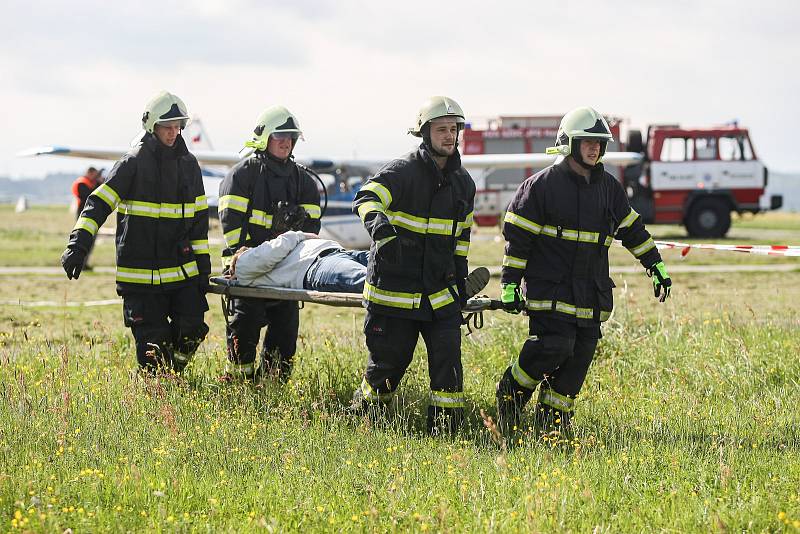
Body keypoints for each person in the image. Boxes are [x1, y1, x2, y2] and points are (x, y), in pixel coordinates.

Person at [494, 106, 673, 441]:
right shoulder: (540, 187)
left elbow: (633, 230)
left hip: (591, 296)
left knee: (577, 363)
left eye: (599, 143)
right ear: (569, 143)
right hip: (551, 293)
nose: (595, 149)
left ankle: (551, 429)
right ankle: (510, 395)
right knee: (554, 347)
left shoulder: (609, 188)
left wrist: (656, 266)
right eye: (587, 142)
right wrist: (509, 286)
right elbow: (517, 244)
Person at [350, 96, 478, 435]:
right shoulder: (403, 172)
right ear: (425, 133)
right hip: (395, 295)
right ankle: (363, 427)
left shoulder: (464, 184)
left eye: (454, 129)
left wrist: (461, 281)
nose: (449, 136)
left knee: (448, 369)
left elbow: (461, 239)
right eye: (441, 130)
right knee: (386, 370)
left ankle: (447, 437)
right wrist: (381, 231)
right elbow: (366, 198)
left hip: (440, 296)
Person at [60, 91, 210, 373]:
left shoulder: (190, 166)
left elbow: (199, 222)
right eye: (168, 127)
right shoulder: (132, 164)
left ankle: (172, 376)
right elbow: (97, 205)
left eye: (178, 127)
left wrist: (203, 268)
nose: (173, 133)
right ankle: (158, 391)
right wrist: (78, 245)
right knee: (153, 347)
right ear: (152, 126)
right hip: (140, 278)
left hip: (182, 272)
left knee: (192, 328)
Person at [218, 106, 322, 381]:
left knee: (285, 338)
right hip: (248, 272)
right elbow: (231, 228)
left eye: (291, 136)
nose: (286, 141)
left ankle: (272, 389)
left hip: (285, 273)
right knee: (244, 332)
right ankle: (239, 390)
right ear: (265, 138)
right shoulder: (242, 176)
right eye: (280, 135)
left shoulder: (304, 181)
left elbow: (312, 230)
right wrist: (253, 257)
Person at [229, 231, 368, 292]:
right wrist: (301, 235)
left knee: (386, 262)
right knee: (373, 281)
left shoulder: (253, 265)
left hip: (336, 254)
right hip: (317, 264)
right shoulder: (243, 264)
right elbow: (277, 247)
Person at [70, 167, 105, 267]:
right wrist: (99, 183)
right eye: (94, 174)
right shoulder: (81, 183)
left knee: (90, 241)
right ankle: (79, 264)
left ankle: (84, 264)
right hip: (83, 216)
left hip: (91, 216)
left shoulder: (90, 182)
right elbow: (90, 196)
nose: (95, 176)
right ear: (89, 173)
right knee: (83, 241)